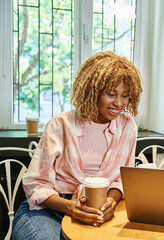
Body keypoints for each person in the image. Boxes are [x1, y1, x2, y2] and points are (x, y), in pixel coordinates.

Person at [12, 51, 143, 240]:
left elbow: (122, 179)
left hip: (99, 209)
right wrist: (71, 207)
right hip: (50, 208)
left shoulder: (127, 127)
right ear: (93, 90)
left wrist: (110, 202)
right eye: (111, 94)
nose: (119, 103)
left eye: (125, 96)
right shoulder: (60, 124)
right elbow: (36, 184)